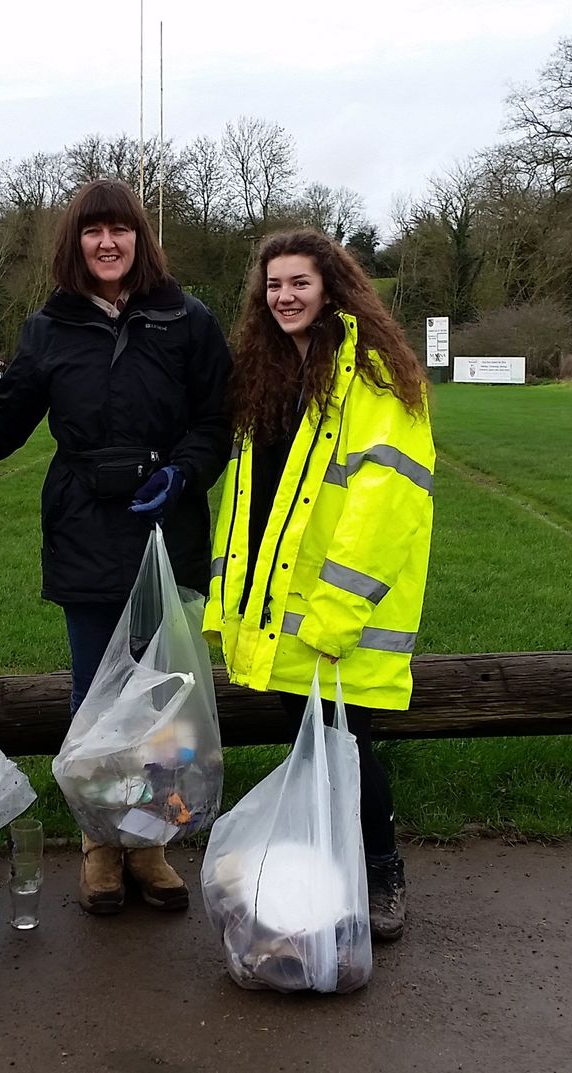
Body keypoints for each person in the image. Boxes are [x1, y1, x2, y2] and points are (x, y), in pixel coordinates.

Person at [0, 179, 231, 915]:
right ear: (76, 243)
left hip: (165, 529)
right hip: (84, 530)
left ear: (139, 238)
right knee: (95, 697)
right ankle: (100, 844)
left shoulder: (187, 320)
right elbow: (5, 426)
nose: (107, 243)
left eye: (119, 229)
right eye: (93, 232)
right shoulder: (48, 328)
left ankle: (150, 840)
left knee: (163, 701)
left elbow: (216, 421)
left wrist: (184, 473)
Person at [204, 228, 435, 942]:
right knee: (310, 753)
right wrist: (231, 604)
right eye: (273, 285)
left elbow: (383, 500)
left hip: (341, 612)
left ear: (331, 286)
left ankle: (382, 870)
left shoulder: (368, 373)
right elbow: (249, 501)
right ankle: (327, 876)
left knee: (348, 749)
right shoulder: (269, 371)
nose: (284, 297)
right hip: (279, 614)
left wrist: (340, 607)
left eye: (299, 283)